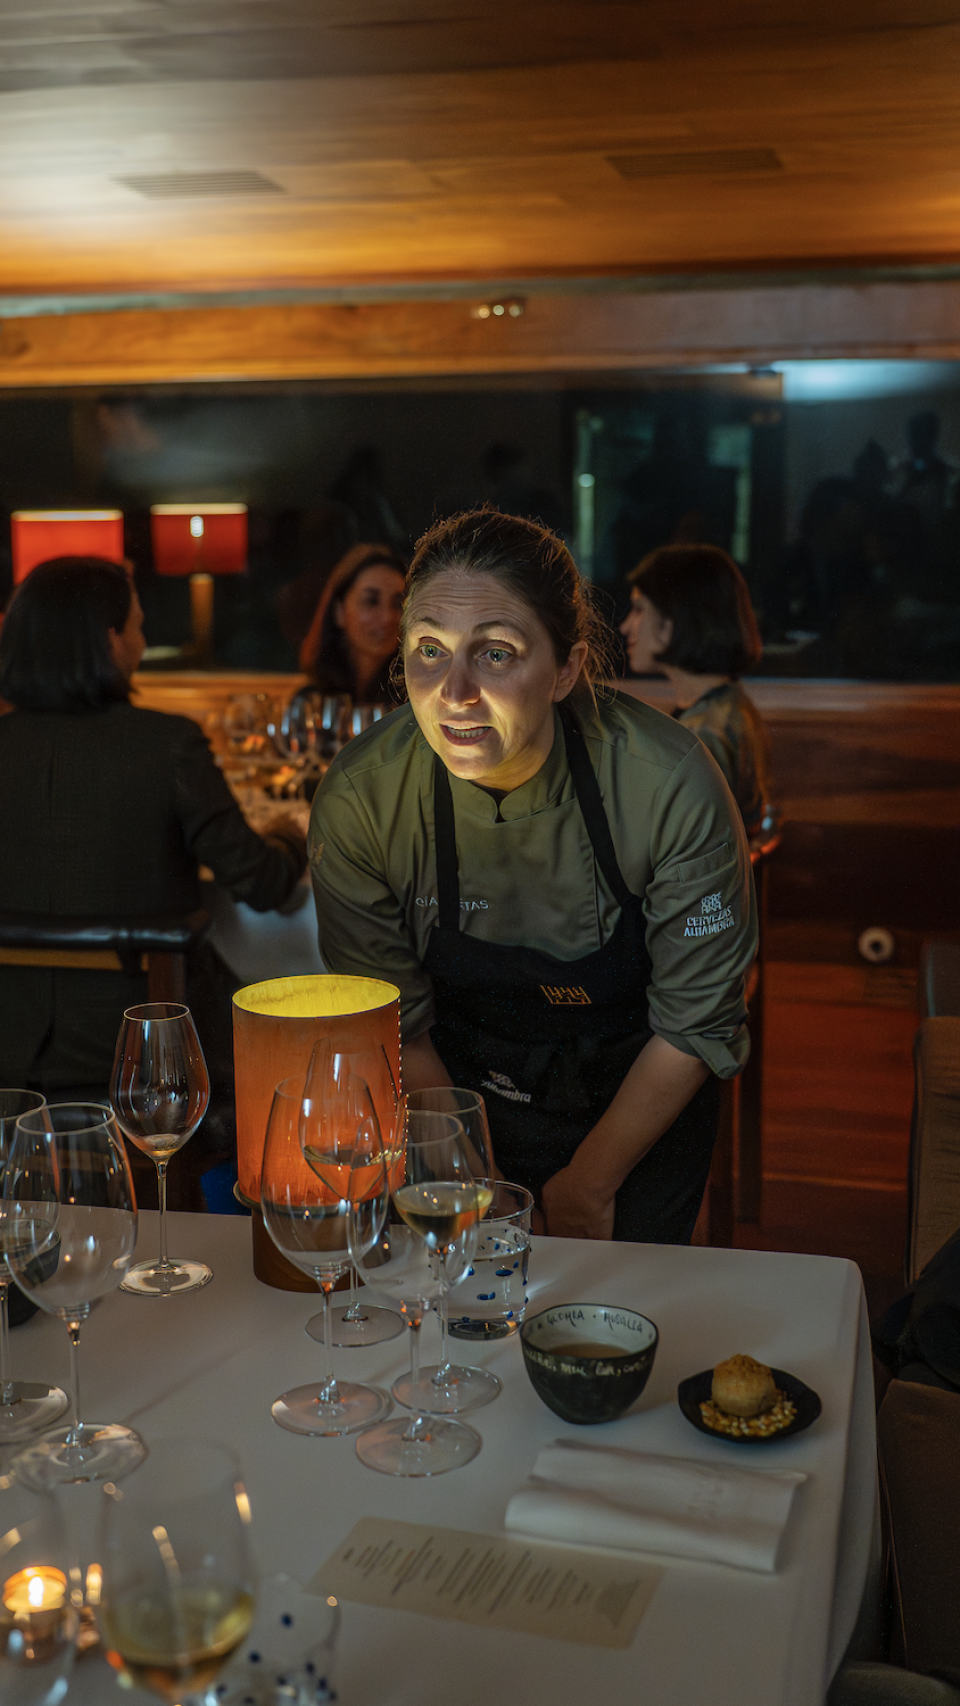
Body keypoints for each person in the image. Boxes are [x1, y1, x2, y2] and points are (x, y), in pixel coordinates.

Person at [310, 509, 757, 1244]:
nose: (452, 693)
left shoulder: (667, 782)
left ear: (568, 669)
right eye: (429, 649)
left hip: (642, 1097)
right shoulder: (363, 802)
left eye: (496, 654)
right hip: (458, 1100)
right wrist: (479, 1186)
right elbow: (398, 1027)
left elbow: (695, 1020)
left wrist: (586, 1188)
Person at [0, 557, 306, 1098]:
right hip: (145, 1051)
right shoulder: (167, 745)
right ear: (110, 639)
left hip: (10, 1048)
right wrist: (290, 833)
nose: (143, 643)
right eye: (139, 626)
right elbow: (261, 884)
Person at [620, 543, 771, 839]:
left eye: (639, 610)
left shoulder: (704, 737)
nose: (626, 626)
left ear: (671, 623)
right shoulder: (729, 705)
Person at [299, 543, 406, 703]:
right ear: (339, 612)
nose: (387, 617)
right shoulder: (311, 701)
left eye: (398, 603)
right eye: (371, 601)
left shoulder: (411, 702)